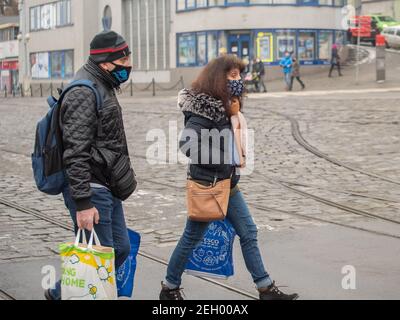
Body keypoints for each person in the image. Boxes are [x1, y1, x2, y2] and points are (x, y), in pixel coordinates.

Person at [159, 54, 299, 301]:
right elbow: (188, 143)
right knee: (192, 237)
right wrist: (224, 159)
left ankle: (265, 288)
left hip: (227, 183)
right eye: (233, 75)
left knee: (248, 232)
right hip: (208, 184)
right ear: (218, 78)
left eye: (239, 75)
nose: (239, 80)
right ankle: (169, 288)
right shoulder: (205, 107)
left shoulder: (226, 104)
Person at [45, 30, 137, 300]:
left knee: (119, 248)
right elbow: (75, 152)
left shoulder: (103, 83)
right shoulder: (84, 91)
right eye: (124, 60)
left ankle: (58, 293)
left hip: (107, 185)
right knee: (99, 258)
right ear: (107, 62)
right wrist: (83, 203)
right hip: (92, 189)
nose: (129, 64)